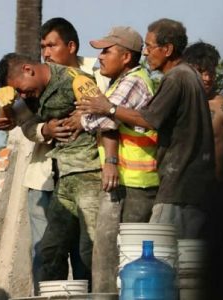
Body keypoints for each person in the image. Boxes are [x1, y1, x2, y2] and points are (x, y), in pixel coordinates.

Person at [0, 17, 108, 295]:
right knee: (48, 250)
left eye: (51, 45)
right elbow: (18, 122)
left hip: (87, 173)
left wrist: (83, 117)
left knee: (88, 249)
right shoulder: (32, 90)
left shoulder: (87, 73)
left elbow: (106, 110)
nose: (46, 51)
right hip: (49, 178)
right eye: (43, 46)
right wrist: (44, 126)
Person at [77, 18, 215, 239]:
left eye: (150, 47)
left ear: (167, 49)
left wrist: (108, 108)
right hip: (188, 183)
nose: (146, 53)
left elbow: (150, 120)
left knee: (162, 252)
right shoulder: (187, 76)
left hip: (178, 184)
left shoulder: (176, 78)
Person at [78, 26, 158, 293]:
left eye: (106, 51)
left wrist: (92, 112)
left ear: (126, 57)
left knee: (115, 256)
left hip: (133, 183)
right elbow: (96, 119)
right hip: (126, 181)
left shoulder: (133, 82)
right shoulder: (119, 82)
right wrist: (90, 114)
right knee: (108, 254)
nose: (100, 57)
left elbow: (99, 119)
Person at [183, 41, 223, 299]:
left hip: (218, 199)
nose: (207, 77)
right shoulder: (179, 105)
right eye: (200, 71)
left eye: (211, 72)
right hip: (184, 198)